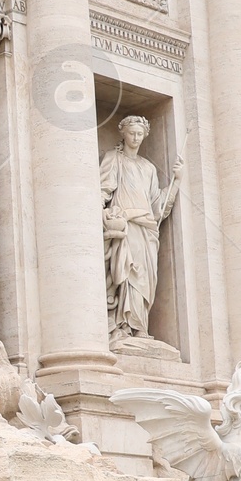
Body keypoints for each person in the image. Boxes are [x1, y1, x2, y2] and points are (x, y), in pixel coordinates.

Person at [100, 115, 182, 341]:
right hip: (126, 224)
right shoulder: (113, 159)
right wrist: (102, 214)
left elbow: (159, 207)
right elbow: (103, 191)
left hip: (147, 228)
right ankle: (124, 325)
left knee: (145, 279)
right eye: (131, 133)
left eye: (139, 134)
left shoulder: (148, 168)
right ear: (123, 133)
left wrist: (176, 182)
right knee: (129, 273)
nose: (135, 138)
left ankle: (141, 326)